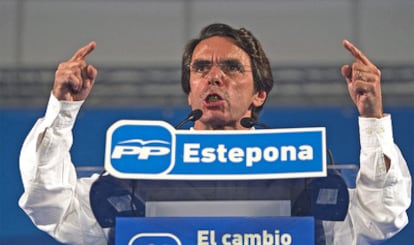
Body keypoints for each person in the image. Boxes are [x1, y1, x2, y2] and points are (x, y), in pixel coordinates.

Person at [19, 23, 411, 244]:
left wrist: (372, 120)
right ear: (189, 89)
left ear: (259, 93)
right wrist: (62, 111)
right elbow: (51, 207)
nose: (215, 76)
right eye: (201, 67)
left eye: (232, 68)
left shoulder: (304, 172)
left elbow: (379, 217)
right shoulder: (138, 173)